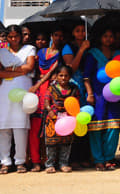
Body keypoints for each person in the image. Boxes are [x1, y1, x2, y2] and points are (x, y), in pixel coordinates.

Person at [83, 27, 120, 171]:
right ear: (100, 37)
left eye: (111, 36)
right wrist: (90, 93)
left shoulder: (118, 54)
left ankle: (108, 158)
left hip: (115, 95)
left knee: (113, 127)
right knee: (96, 128)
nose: (108, 39)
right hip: (97, 95)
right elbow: (86, 76)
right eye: (105, 35)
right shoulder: (92, 54)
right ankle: (98, 159)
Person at [0, 25, 37, 173]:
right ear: (7, 38)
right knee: (4, 128)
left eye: (16, 36)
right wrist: (19, 71)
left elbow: (29, 68)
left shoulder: (29, 49)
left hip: (23, 91)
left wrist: (8, 70)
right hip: (4, 92)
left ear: (21, 36)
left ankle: (20, 161)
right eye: (10, 37)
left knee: (21, 127)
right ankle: (5, 162)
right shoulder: (1, 51)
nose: (14, 39)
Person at [29, 27, 65, 172]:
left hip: (50, 88)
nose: (58, 38)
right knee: (35, 128)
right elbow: (36, 70)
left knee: (50, 127)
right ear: (51, 36)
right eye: (56, 34)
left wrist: (38, 83)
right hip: (37, 90)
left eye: (61, 36)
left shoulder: (60, 54)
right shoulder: (40, 52)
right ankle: (36, 161)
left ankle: (49, 161)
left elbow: (50, 73)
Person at [61, 23, 90, 167]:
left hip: (86, 86)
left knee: (84, 120)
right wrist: (82, 50)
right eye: (77, 31)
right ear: (73, 33)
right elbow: (70, 67)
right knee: (73, 121)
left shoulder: (89, 46)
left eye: (83, 31)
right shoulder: (68, 47)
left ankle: (84, 156)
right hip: (73, 86)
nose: (80, 33)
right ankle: (72, 158)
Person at [43, 64, 79, 173]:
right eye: (61, 75)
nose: (63, 78)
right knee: (51, 143)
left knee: (66, 143)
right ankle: (49, 164)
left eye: (66, 76)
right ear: (56, 76)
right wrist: (49, 110)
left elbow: (76, 102)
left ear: (70, 77)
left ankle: (63, 163)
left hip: (68, 119)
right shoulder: (51, 88)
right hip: (53, 118)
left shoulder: (74, 89)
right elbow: (46, 101)